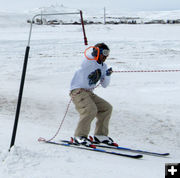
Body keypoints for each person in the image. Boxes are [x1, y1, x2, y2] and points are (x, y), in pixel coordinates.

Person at [70, 43, 114, 147]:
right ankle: (80, 136)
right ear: (97, 52)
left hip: (89, 92)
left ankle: (100, 135)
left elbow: (104, 85)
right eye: (104, 53)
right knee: (90, 110)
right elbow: (87, 59)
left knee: (107, 108)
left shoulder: (103, 66)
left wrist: (107, 75)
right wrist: (94, 52)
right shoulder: (89, 61)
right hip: (78, 91)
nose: (106, 56)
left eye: (108, 53)